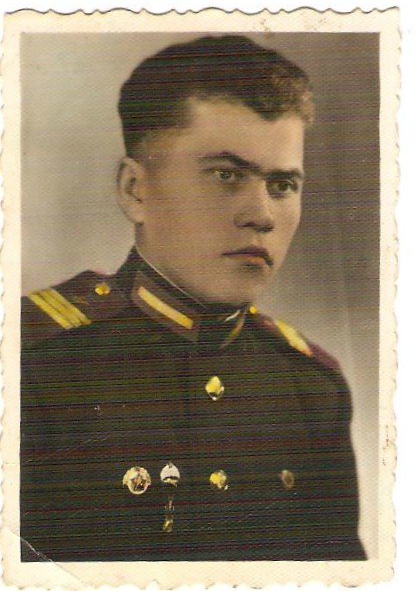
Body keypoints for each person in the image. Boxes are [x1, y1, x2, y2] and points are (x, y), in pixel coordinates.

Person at [20, 35, 366, 562]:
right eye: (226, 176)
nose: (262, 215)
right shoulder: (31, 362)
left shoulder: (312, 390)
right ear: (135, 190)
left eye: (282, 185)